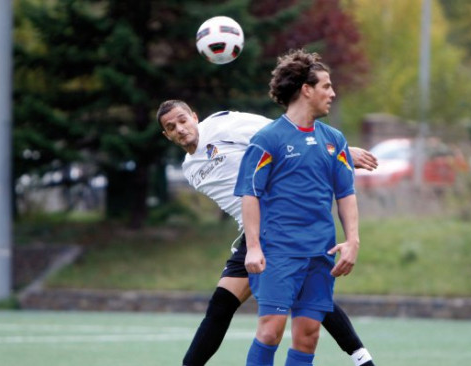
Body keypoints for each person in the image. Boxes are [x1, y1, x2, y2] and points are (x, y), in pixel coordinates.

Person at [157, 100, 376, 366]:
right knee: (222, 307)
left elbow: (280, 131)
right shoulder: (190, 170)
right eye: (171, 127)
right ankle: (363, 360)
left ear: (194, 116)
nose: (180, 128)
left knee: (304, 299)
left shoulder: (220, 124)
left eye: (183, 120)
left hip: (280, 229)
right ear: (166, 135)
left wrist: (337, 150)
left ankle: (362, 359)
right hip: (254, 237)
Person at [234, 49, 362, 366]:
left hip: (321, 252)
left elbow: (346, 193)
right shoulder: (268, 139)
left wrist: (353, 241)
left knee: (308, 335)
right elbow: (249, 193)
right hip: (279, 251)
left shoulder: (335, 140)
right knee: (270, 331)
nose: (332, 93)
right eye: (326, 86)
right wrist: (253, 248)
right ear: (306, 89)